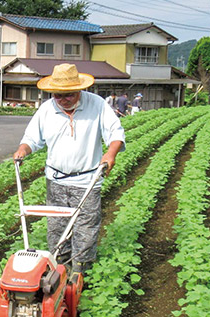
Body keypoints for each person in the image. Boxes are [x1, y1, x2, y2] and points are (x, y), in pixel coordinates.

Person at [12, 63, 125, 274]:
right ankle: (60, 268)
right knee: (57, 229)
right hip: (56, 180)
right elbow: (31, 138)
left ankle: (81, 272)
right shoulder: (47, 109)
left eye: (69, 95)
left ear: (80, 90)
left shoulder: (97, 105)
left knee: (86, 229)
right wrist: (22, 150)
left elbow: (115, 133)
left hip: (87, 181)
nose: (63, 100)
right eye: (58, 96)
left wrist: (110, 154)